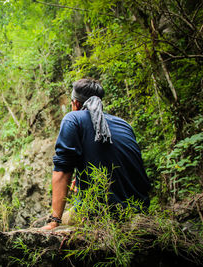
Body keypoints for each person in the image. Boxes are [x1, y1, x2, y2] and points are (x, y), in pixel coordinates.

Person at [42, 78, 151, 230]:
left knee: (67, 219)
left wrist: (54, 221)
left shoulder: (72, 119)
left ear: (76, 103)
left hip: (103, 212)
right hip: (138, 210)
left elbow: (62, 170)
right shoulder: (124, 124)